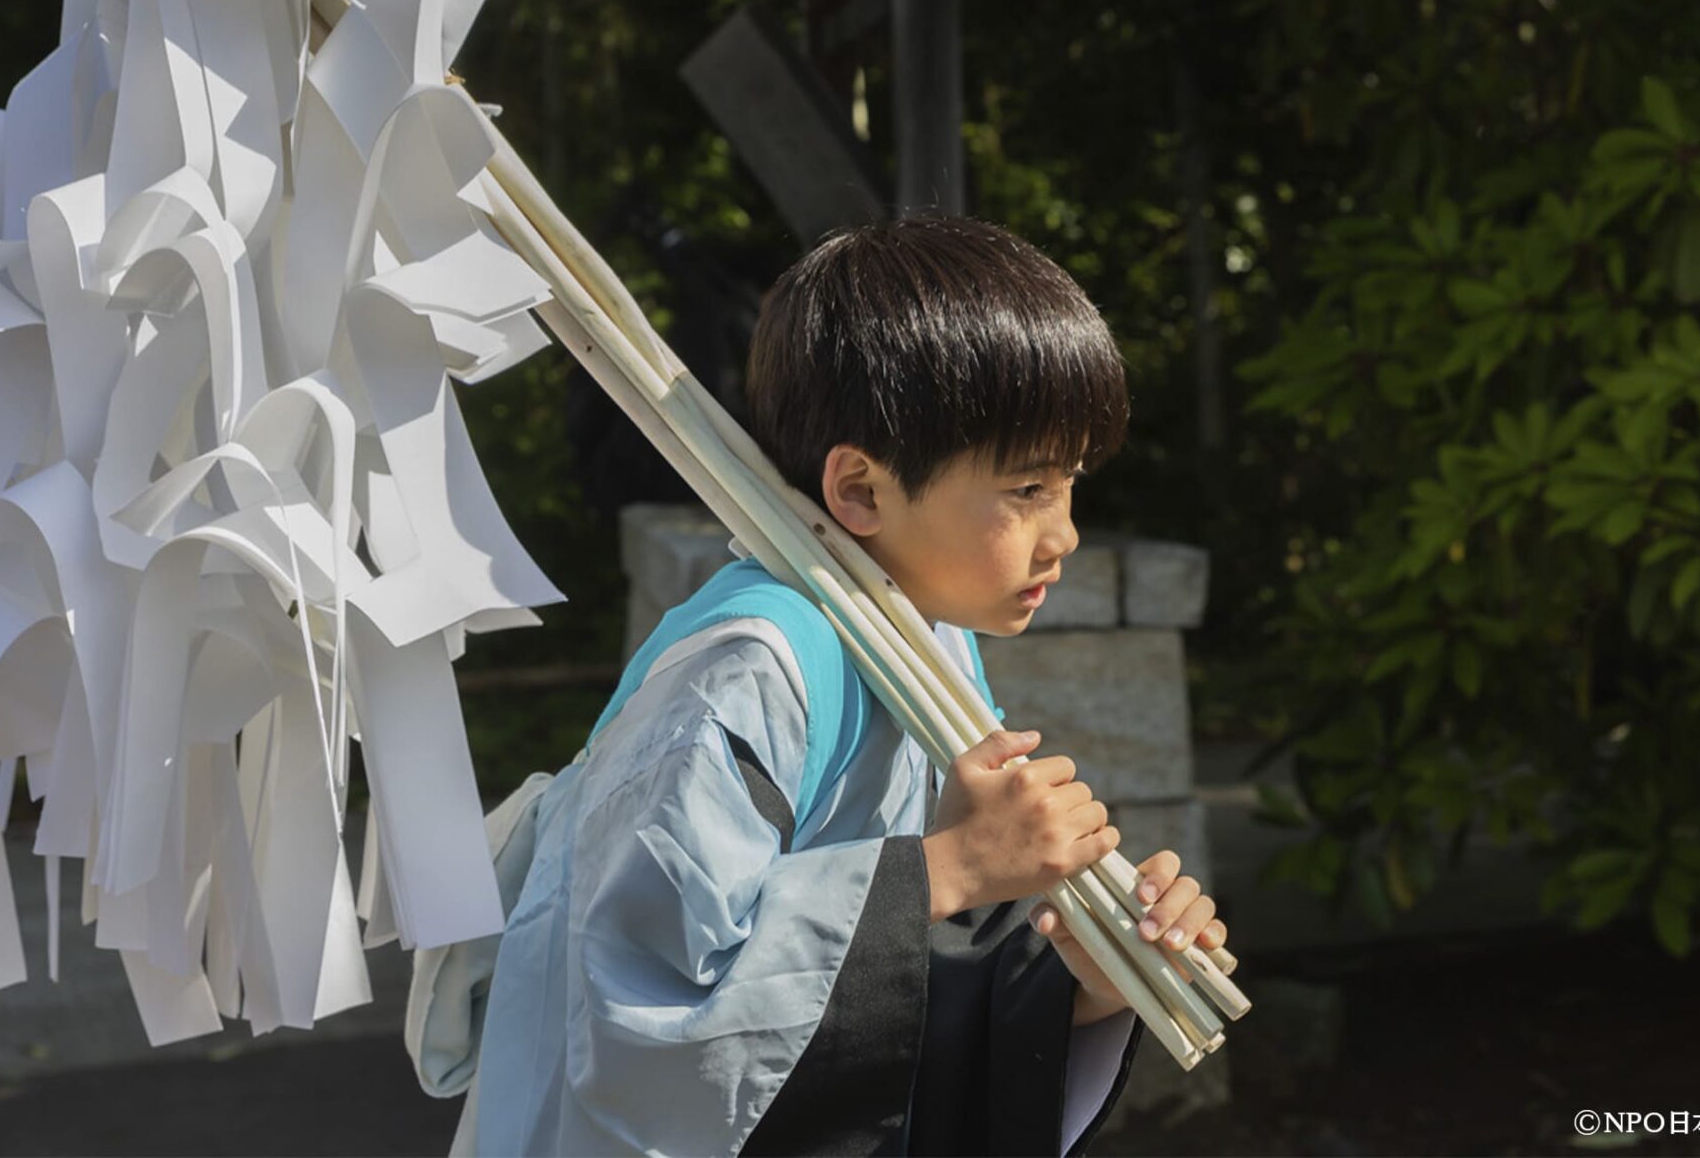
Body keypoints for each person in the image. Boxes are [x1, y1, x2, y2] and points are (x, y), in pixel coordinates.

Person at [430, 215, 1229, 1156]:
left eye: (1069, 485)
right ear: (859, 490)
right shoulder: (745, 670)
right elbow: (638, 1018)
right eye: (1027, 490)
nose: (1065, 535)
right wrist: (955, 866)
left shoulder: (926, 637)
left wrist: (1087, 977)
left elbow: (892, 989)